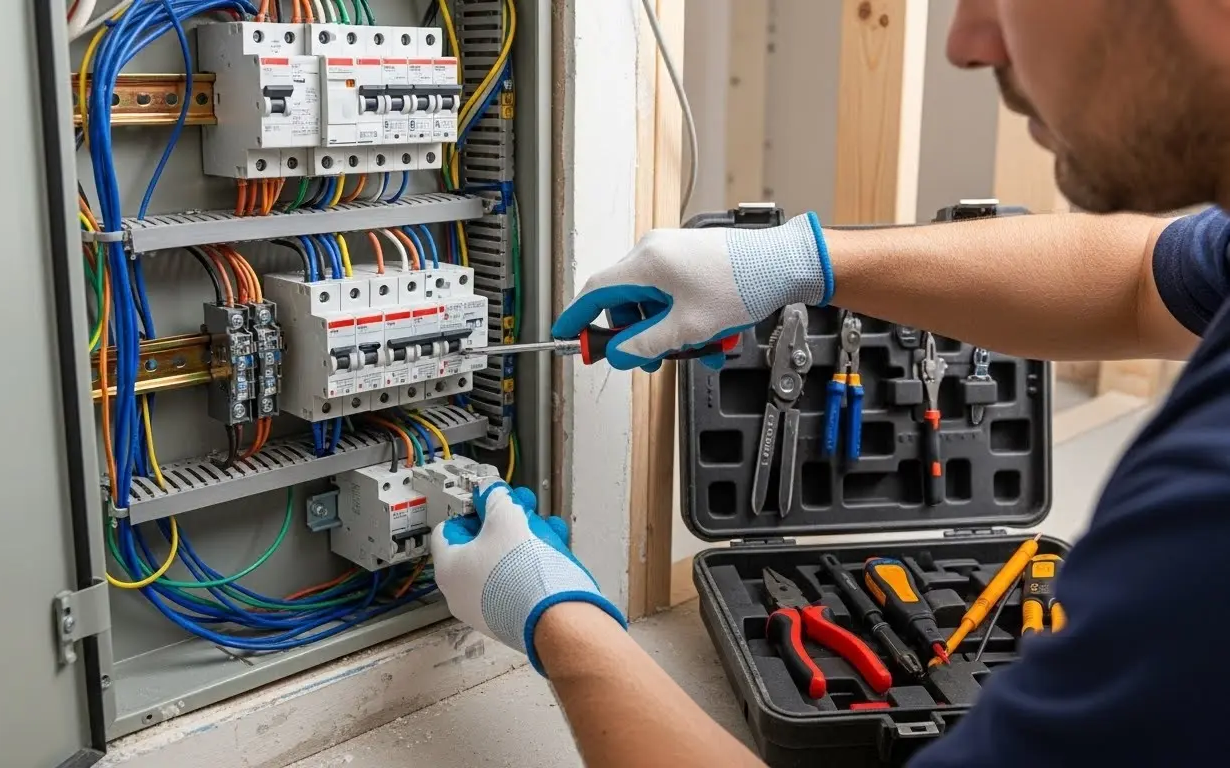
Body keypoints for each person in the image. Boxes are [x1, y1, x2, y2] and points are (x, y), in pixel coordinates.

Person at [433, 1, 1230, 765]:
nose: (964, 41)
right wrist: (798, 262)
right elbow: (1140, 279)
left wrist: (555, 617)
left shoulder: (1201, 514)